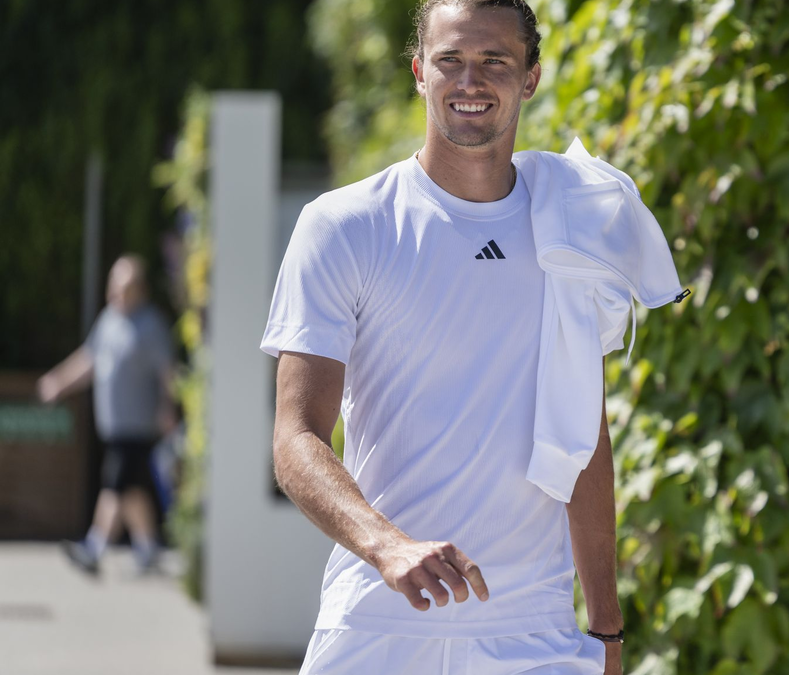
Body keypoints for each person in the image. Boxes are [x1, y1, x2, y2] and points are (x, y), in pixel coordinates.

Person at [262, 1, 687, 672]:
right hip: (378, 625)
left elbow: (583, 432)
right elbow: (294, 439)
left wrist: (606, 627)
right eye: (450, 61)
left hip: (533, 635)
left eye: (495, 61)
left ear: (531, 78)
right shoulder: (344, 226)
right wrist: (387, 545)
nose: (470, 82)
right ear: (418, 72)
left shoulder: (571, 224)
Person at [38, 254, 175, 575]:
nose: (116, 293)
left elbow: (167, 373)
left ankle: (94, 548)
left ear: (140, 289)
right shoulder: (109, 320)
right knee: (132, 489)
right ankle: (147, 547)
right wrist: (58, 381)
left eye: (124, 287)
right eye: (113, 286)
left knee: (115, 484)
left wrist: (168, 409)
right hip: (114, 426)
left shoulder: (150, 325)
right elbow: (88, 359)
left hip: (138, 425)